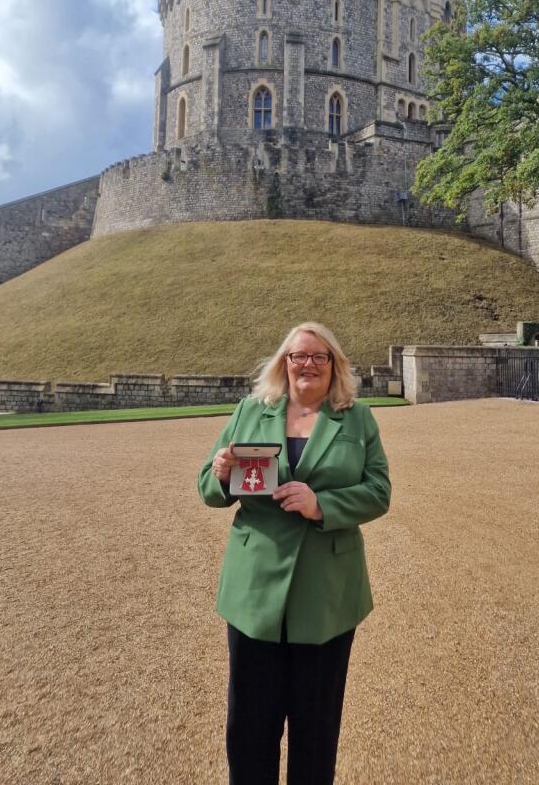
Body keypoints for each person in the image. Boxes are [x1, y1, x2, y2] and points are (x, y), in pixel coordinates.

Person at [197, 322, 391, 785]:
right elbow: (208, 487)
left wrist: (322, 504)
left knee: (316, 727)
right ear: (284, 363)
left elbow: (379, 491)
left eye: (318, 356)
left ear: (334, 365)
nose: (307, 364)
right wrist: (221, 473)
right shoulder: (250, 410)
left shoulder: (357, 418)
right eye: (297, 356)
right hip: (255, 590)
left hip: (327, 593)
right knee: (249, 726)